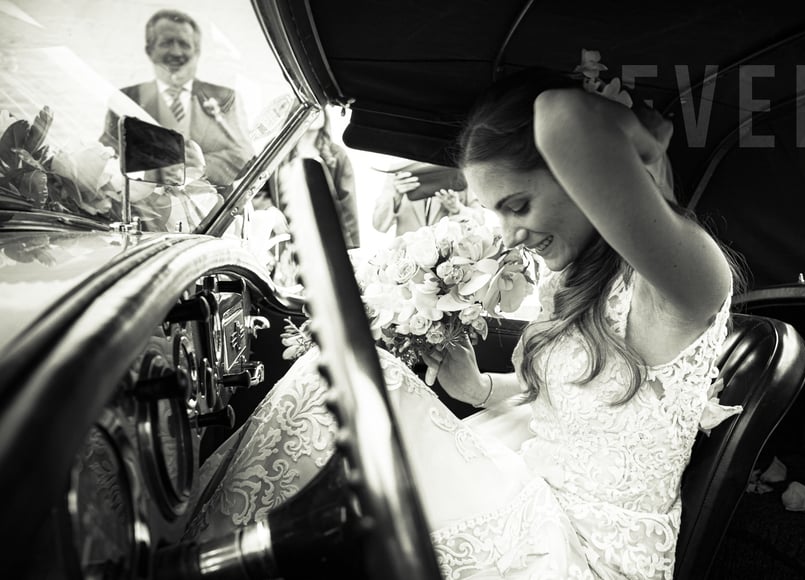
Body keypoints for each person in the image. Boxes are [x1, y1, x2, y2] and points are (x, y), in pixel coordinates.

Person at [187, 66, 745, 579]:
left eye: (518, 205)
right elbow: (573, 399)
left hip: (583, 555)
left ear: (582, 176)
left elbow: (562, 117)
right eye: (495, 211)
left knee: (351, 399)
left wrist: (646, 145)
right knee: (348, 386)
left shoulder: (682, 290)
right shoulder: (570, 286)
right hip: (536, 498)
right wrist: (477, 388)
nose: (508, 234)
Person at [100, 9, 254, 187]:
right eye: (166, 43)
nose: (176, 52)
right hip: (143, 203)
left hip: (215, 204)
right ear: (150, 50)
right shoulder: (126, 99)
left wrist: (202, 166)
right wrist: (149, 173)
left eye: (184, 44)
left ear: (197, 51)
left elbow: (244, 156)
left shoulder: (225, 98)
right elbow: (108, 156)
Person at [279, 108, 361, 249]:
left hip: (323, 237)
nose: (316, 112)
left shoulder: (337, 155)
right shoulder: (280, 152)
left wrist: (350, 249)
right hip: (286, 234)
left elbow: (347, 206)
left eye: (320, 108)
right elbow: (262, 191)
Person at [372, 163, 485, 236]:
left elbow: (480, 222)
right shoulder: (398, 169)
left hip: (449, 259)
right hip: (407, 258)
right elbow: (379, 225)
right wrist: (395, 197)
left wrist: (457, 208)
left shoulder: (458, 168)